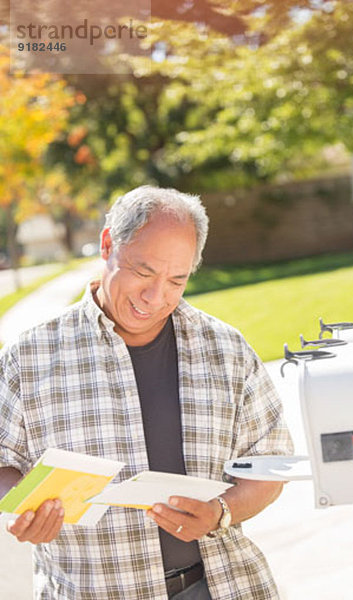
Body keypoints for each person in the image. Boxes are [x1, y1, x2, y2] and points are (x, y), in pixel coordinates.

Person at [0, 186, 293, 599]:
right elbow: (2, 462)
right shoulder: (27, 357)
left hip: (221, 586)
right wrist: (23, 505)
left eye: (177, 280)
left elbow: (269, 465)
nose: (156, 298)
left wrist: (220, 513)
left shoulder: (226, 349)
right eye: (143, 272)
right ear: (107, 245)